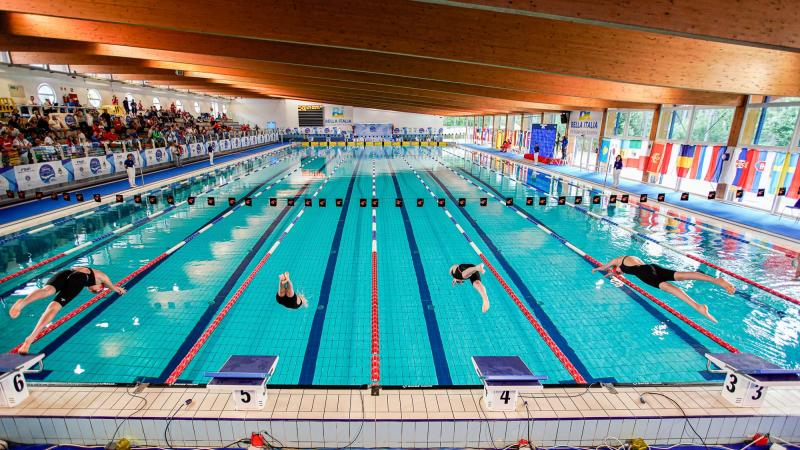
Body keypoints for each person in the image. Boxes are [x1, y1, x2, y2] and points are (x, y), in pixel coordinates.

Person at [9, 267, 126, 354]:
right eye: (96, 291)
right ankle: (29, 340)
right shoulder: (103, 278)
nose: (93, 291)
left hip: (65, 273)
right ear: (101, 286)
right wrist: (118, 289)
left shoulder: (91, 272)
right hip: (78, 278)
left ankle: (23, 303)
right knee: (54, 308)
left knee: (47, 290)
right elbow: (113, 287)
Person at [592, 255, 735, 323]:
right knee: (682, 276)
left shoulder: (618, 261)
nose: (619, 274)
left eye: (617, 272)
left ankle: (698, 306)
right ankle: (716, 280)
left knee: (670, 288)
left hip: (645, 274)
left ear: (616, 267)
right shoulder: (631, 259)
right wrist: (612, 272)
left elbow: (606, 265)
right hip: (652, 267)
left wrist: (600, 268)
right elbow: (615, 269)